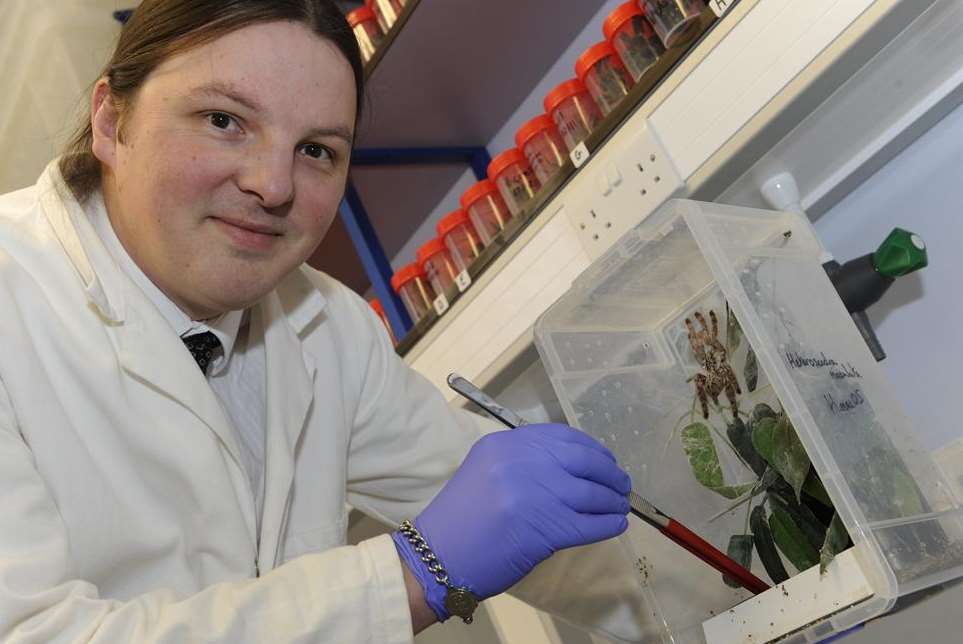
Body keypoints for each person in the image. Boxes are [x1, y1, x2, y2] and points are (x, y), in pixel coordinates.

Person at [0, 1, 650, 641]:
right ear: (112, 121)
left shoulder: (325, 324)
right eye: (223, 119)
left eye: (316, 150)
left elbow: (571, 554)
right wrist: (414, 573)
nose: (273, 185)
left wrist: (730, 579)